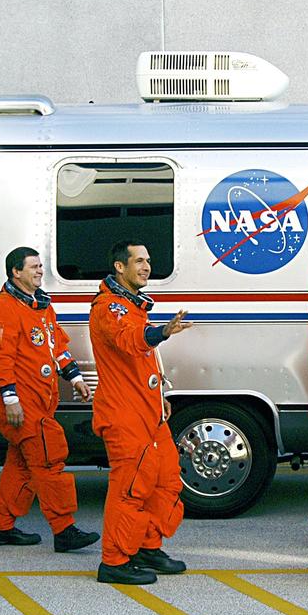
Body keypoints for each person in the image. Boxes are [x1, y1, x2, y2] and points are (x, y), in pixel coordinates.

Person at [89, 240, 193, 585]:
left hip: (148, 411)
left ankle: (147, 546)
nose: (147, 266)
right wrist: (161, 332)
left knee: (166, 480)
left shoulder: (134, 306)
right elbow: (130, 339)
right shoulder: (110, 307)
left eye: (148, 260)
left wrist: (159, 393)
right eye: (139, 261)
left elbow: (141, 360)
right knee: (130, 488)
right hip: (124, 413)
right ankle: (115, 561)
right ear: (120, 267)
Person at [0, 247, 99, 553]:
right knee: (49, 459)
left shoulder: (41, 306)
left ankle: (1, 527)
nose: (40, 271)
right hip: (21, 404)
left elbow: (56, 346)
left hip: (39, 402)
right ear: (16, 272)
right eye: (33, 266)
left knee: (21, 466)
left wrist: (75, 377)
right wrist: (10, 398)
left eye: (40, 266)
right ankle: (64, 529)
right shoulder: (4, 308)